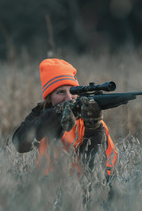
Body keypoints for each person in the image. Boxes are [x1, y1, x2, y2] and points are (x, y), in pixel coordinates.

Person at [12, 58, 117, 188]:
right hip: (49, 189)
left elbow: (96, 170)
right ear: (49, 97)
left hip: (86, 189)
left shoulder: (92, 119)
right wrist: (56, 115)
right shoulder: (42, 115)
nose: (68, 98)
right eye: (60, 92)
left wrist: (93, 127)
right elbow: (20, 143)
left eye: (73, 91)